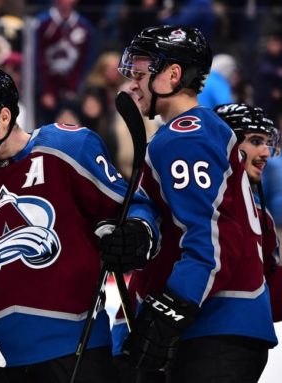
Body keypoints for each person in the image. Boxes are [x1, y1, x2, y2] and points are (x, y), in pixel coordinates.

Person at [0, 65, 156, 382]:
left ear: (4, 117)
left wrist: (135, 234)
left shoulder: (68, 148)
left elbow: (131, 208)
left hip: (75, 348)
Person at [98, 25, 278, 382]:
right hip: (225, 325)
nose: (133, 83)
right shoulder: (193, 131)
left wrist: (171, 310)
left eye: (140, 72)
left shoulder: (186, 135)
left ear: (173, 75)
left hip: (214, 327)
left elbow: (205, 238)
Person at [214, 103, 282, 323]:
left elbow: (272, 298)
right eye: (255, 141)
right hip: (200, 339)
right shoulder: (194, 200)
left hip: (243, 340)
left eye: (267, 143)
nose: (265, 153)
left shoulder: (262, 216)